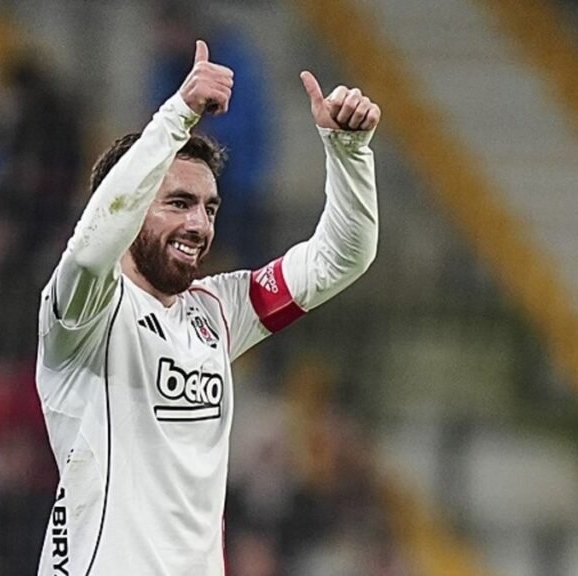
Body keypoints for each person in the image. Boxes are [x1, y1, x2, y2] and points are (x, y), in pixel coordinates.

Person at [35, 39, 380, 575]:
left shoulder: (218, 310)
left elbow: (340, 258)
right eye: (178, 203)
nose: (199, 224)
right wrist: (178, 115)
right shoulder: (81, 315)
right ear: (130, 209)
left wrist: (348, 153)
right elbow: (90, 246)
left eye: (209, 208)